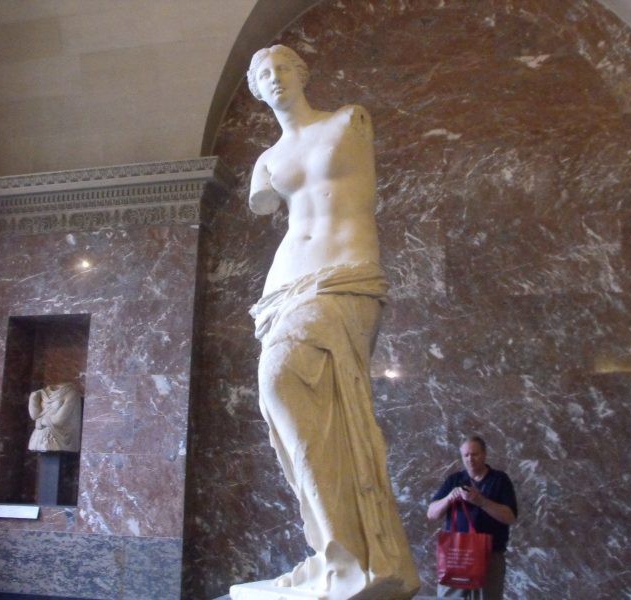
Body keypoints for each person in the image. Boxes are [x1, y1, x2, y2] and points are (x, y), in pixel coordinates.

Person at [233, 45, 420, 600]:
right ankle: (340, 554)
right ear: (256, 89)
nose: (275, 78)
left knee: (280, 380)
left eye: (283, 68)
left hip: (346, 275)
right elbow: (270, 206)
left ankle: (349, 556)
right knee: (290, 406)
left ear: (302, 73)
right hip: (285, 287)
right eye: (264, 74)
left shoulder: (347, 122)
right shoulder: (267, 162)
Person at [427, 436, 517, 599]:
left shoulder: (500, 479)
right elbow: (432, 514)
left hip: (490, 555)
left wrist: (482, 501)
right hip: (456, 555)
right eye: (466, 455)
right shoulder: (454, 480)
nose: (470, 459)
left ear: (484, 454)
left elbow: (510, 517)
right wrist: (449, 498)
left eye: (475, 454)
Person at [27, 382, 82, 452]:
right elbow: (34, 416)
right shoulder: (45, 392)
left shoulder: (71, 393)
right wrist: (33, 398)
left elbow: (58, 420)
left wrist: (40, 422)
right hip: (40, 435)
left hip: (60, 436)